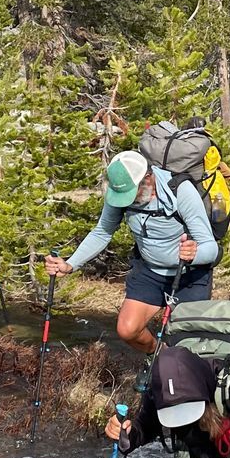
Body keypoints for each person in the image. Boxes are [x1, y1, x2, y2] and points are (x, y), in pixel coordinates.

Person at [46, 148, 219, 353]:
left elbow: (211, 248)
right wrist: (70, 264)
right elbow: (102, 232)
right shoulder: (119, 194)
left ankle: (182, 364)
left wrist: (194, 254)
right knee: (128, 330)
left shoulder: (180, 190)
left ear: (148, 178)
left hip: (189, 275)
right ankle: (160, 356)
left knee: (189, 346)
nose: (125, 200)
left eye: (131, 193)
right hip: (149, 271)